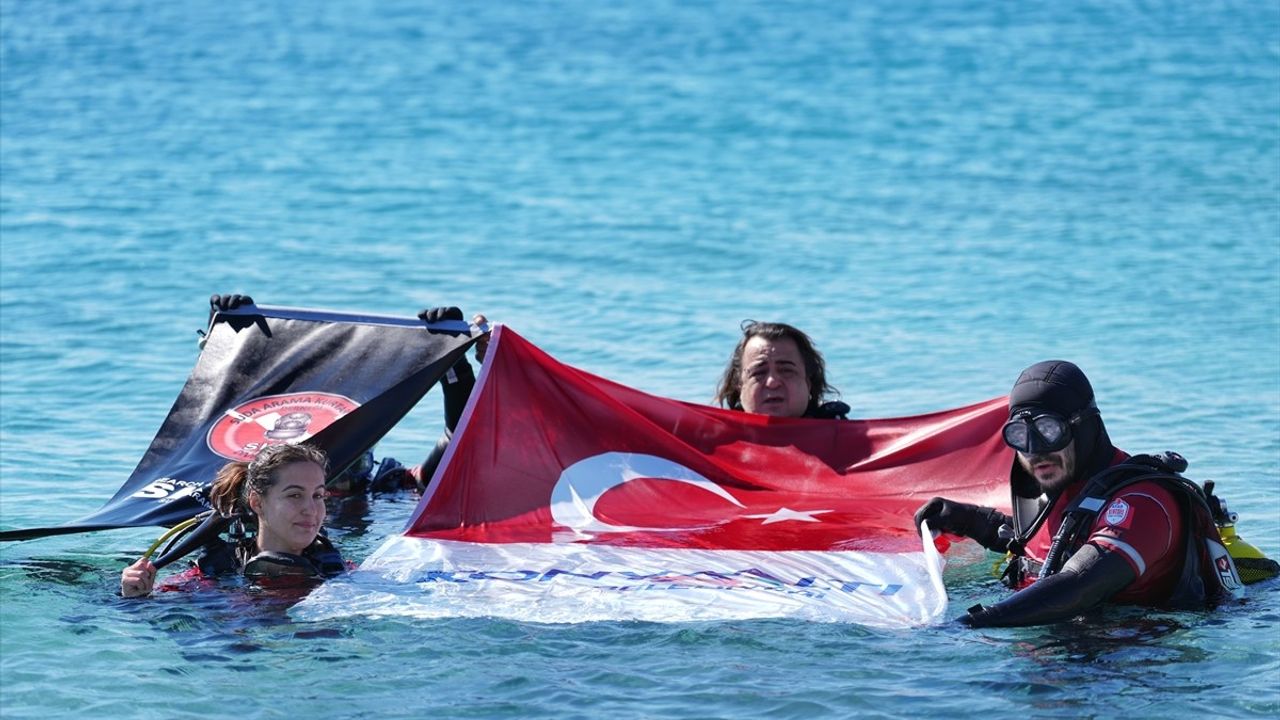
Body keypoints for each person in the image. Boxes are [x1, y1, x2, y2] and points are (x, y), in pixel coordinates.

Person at [914, 360, 1260, 628]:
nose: (1035, 451)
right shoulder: (1060, 487)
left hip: (1134, 670)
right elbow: (1045, 548)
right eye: (1021, 435)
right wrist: (972, 520)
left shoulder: (1142, 503)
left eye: (1049, 430)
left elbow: (1080, 584)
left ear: (1085, 427)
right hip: (1064, 648)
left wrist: (968, 625)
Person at [120, 443, 344, 597]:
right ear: (257, 503)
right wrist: (135, 596)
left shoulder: (339, 572)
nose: (311, 509)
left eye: (318, 495)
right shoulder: (217, 573)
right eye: (294, 495)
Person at [714, 320, 848, 419]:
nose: (772, 382)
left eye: (786, 371)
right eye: (759, 372)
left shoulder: (847, 443)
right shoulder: (710, 445)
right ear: (739, 386)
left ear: (808, 383)